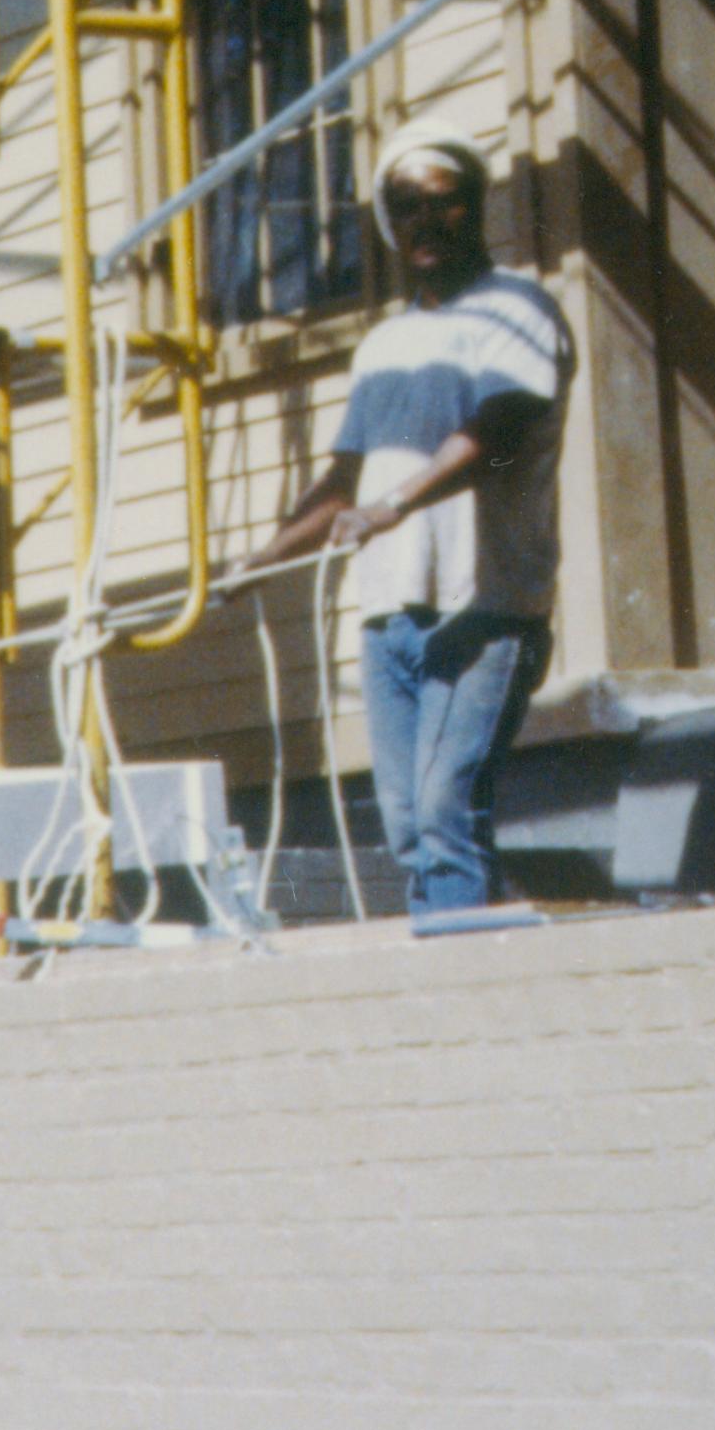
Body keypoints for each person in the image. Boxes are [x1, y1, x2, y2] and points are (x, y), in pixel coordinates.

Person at [245, 120, 572, 916]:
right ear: (390, 223)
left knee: (441, 811)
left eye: (442, 201)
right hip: (387, 613)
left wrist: (394, 505)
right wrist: (252, 564)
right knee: (405, 824)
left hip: (481, 605)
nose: (425, 220)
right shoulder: (383, 343)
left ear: (472, 206)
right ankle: (472, 950)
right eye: (404, 206)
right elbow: (345, 478)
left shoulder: (515, 309)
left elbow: (498, 435)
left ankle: (469, 990)